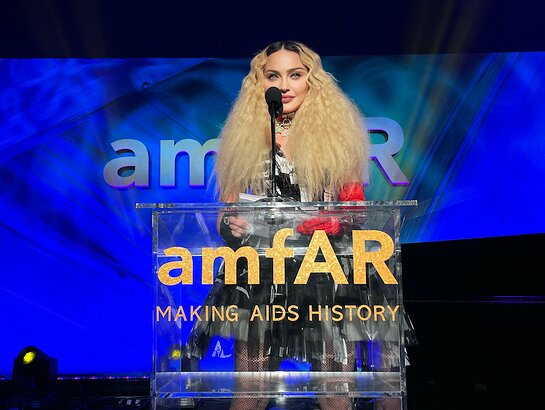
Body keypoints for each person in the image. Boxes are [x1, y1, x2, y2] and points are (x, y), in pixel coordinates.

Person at [186, 41, 400, 410]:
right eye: (274, 76)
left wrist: (333, 219)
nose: (284, 85)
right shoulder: (243, 141)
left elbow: (356, 209)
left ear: (311, 82)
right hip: (263, 272)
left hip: (327, 270)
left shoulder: (337, 137)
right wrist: (231, 226)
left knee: (335, 389)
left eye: (295, 75)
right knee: (251, 389)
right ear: (261, 84)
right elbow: (225, 214)